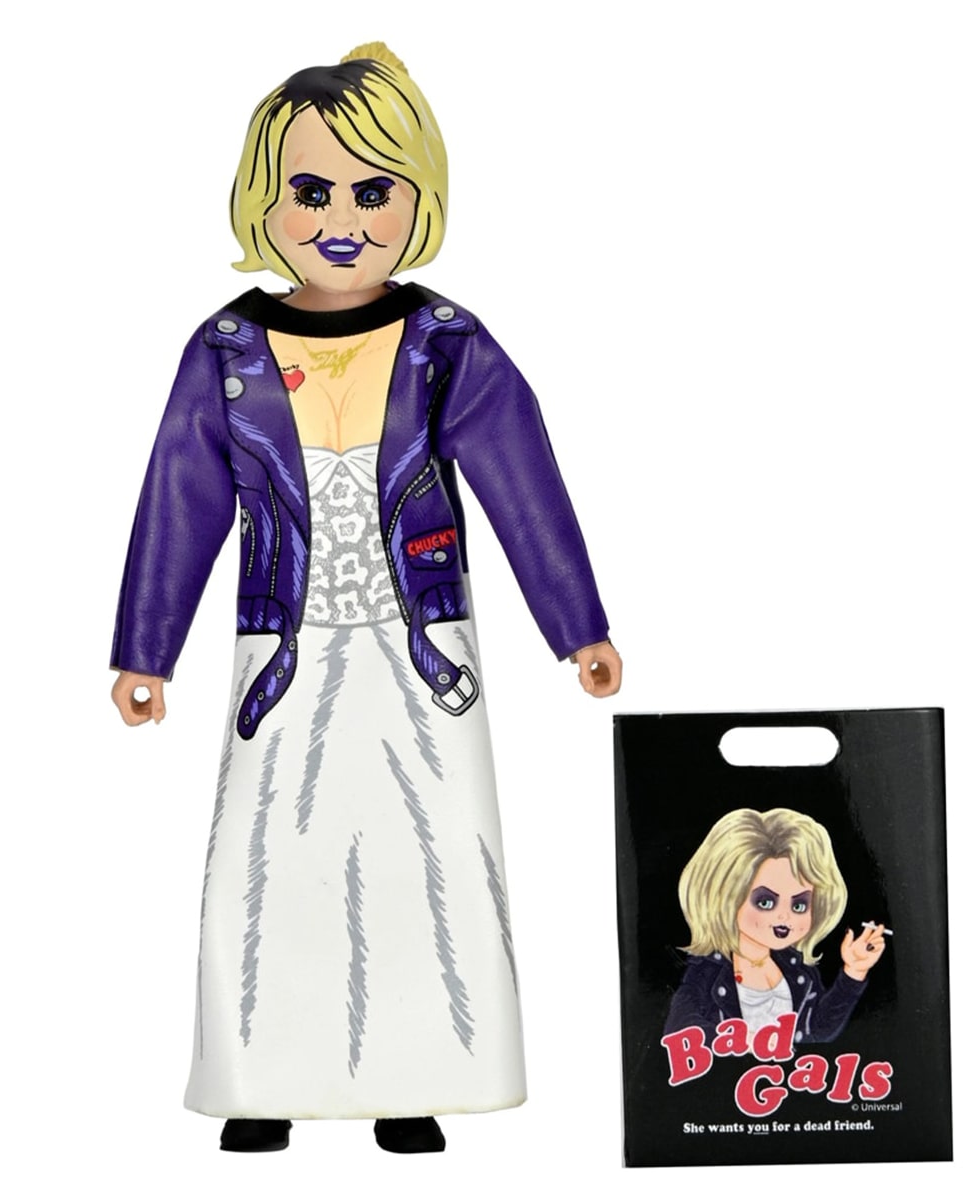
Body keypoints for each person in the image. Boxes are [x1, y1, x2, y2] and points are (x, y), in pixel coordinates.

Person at [110, 43, 621, 1156]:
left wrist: (576, 626)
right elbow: (178, 498)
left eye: (373, 190)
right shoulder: (229, 351)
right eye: (310, 191)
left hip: (423, 648)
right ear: (263, 199)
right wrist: (146, 648)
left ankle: (417, 1078)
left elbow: (523, 482)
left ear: (418, 196)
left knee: (430, 856)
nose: (342, 219)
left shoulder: (446, 345)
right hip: (280, 648)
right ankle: (260, 1081)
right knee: (267, 858)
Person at [664, 808, 885, 1045]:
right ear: (726, 897)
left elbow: (818, 1030)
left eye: (799, 905)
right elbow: (679, 1032)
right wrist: (746, 1043)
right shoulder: (709, 971)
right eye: (765, 902)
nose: (784, 916)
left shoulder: (797, 969)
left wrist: (854, 971)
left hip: (796, 1071)